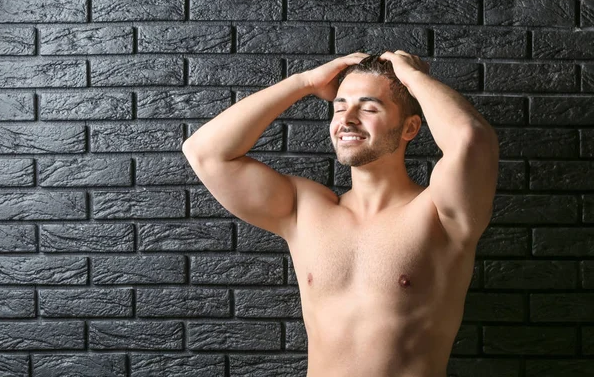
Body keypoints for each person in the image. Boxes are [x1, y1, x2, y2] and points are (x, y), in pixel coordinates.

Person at [182, 50, 499, 377]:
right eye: (340, 107)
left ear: (410, 128)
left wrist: (413, 79)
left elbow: (469, 140)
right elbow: (205, 153)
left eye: (369, 107)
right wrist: (303, 82)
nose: (347, 120)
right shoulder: (303, 209)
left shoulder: (440, 213)